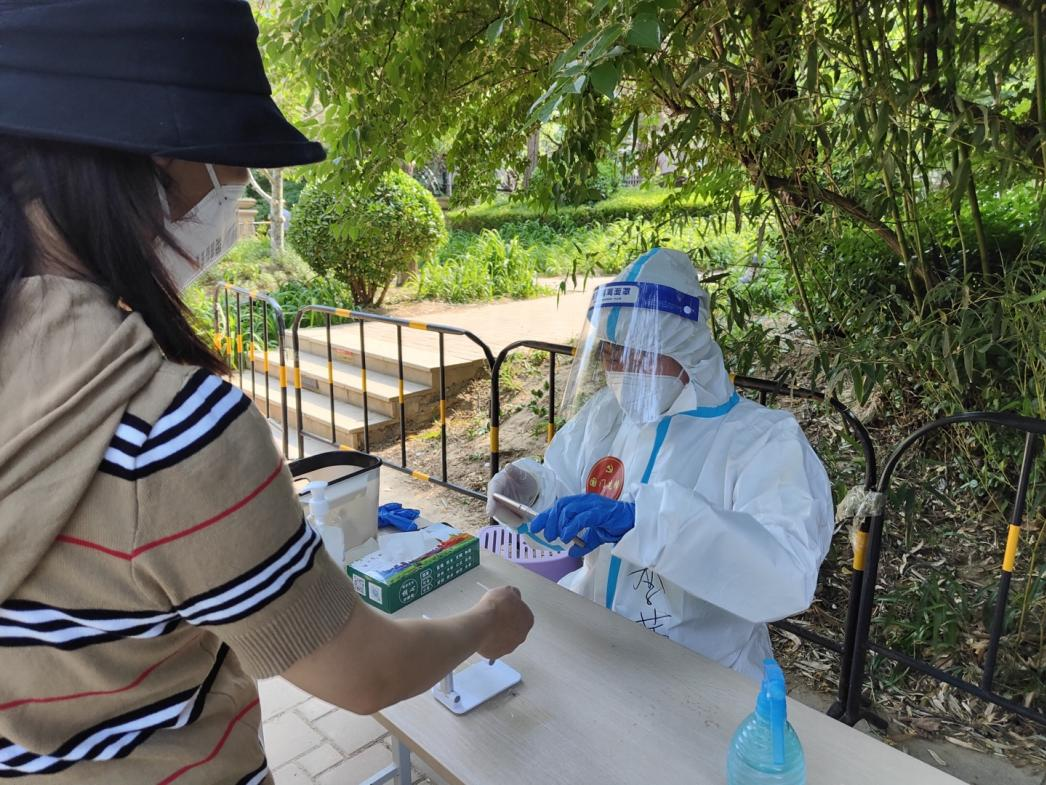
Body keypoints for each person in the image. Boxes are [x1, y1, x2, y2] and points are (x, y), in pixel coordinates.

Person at [0, 2, 532, 782]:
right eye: (227, 163)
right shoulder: (168, 431)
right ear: (151, 158)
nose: (238, 190)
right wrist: (482, 622)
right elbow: (365, 672)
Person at [487, 248, 832, 680]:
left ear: (686, 350)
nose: (619, 367)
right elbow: (572, 510)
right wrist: (534, 494)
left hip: (700, 671)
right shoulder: (607, 415)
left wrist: (652, 525)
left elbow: (785, 577)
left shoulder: (763, 441)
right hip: (594, 638)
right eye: (610, 351)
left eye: (638, 352)